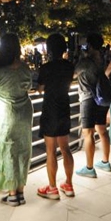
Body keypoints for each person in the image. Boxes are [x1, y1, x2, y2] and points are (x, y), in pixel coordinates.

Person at [0, 33, 34, 206]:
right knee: (23, 149)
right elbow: (29, 86)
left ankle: (12, 194)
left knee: (8, 150)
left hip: (7, 114)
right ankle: (20, 191)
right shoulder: (25, 68)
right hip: (25, 113)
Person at [35, 34, 76, 199]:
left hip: (50, 110)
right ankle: (69, 184)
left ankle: (52, 188)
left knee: (50, 151)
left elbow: (39, 88)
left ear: (49, 49)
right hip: (64, 108)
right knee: (65, 149)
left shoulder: (45, 68)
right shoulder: (69, 66)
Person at [74, 33, 111, 177]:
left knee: (88, 133)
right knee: (102, 130)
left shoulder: (86, 62)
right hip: (102, 98)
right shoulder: (102, 58)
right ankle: (105, 162)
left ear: (89, 45)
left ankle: (89, 168)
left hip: (89, 98)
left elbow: (73, 74)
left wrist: (78, 57)